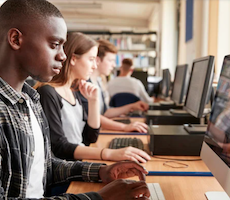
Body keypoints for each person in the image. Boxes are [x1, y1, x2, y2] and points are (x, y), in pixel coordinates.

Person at [0, 0, 150, 199]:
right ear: (16, 39)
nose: (63, 56)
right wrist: (99, 198)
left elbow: (46, 166)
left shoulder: (30, 100)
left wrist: (101, 171)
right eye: (55, 45)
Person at [36, 32, 150, 163]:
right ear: (73, 59)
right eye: (91, 59)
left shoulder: (74, 91)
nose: (94, 66)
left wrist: (93, 101)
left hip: (79, 163)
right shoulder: (48, 92)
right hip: (65, 171)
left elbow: (90, 138)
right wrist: (108, 153)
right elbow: (59, 147)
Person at [79, 39, 149, 133]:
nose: (114, 65)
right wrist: (124, 127)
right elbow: (93, 116)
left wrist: (131, 106)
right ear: (98, 60)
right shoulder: (85, 84)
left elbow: (106, 113)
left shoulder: (98, 81)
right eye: (110, 60)